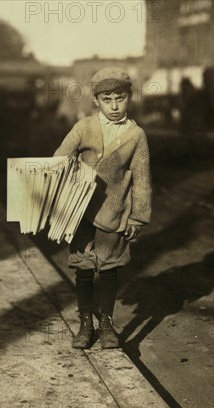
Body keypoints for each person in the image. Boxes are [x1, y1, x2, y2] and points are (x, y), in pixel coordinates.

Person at [53, 67, 152, 349]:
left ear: (129, 98)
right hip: (80, 213)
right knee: (83, 269)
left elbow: (142, 179)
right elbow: (58, 159)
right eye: (107, 99)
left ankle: (106, 324)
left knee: (109, 270)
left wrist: (139, 217)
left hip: (114, 213)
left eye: (119, 98)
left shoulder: (136, 136)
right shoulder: (83, 127)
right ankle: (85, 323)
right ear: (96, 100)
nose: (114, 105)